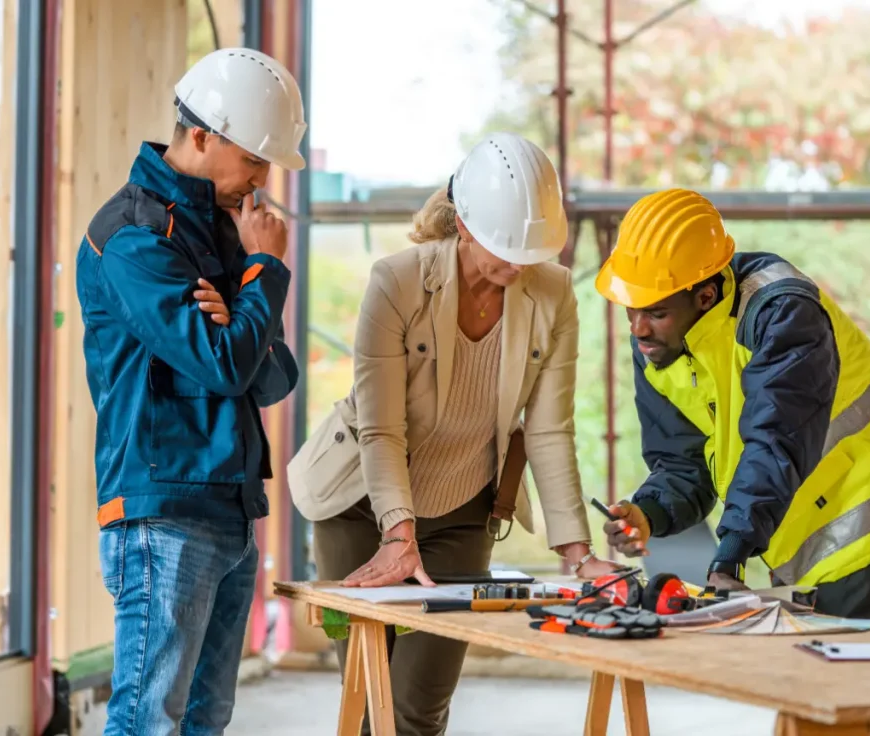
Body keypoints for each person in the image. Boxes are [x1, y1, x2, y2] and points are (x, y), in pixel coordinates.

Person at [308, 132, 619, 735]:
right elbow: (380, 425)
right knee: (370, 700)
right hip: (359, 508)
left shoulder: (552, 295)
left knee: (418, 708)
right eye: (505, 249)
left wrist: (578, 555)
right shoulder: (397, 281)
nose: (519, 266)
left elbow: (550, 429)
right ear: (466, 226)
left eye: (531, 252)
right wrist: (397, 534)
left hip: (461, 511)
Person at [76, 47, 305, 734]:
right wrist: (262, 274)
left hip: (228, 509)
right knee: (150, 720)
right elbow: (228, 363)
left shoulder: (215, 231)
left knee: (207, 721)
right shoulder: (134, 236)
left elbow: (273, 374)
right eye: (255, 160)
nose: (263, 181)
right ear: (202, 134)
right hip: (162, 511)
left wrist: (243, 312)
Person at [596, 188, 870, 626]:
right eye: (631, 309)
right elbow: (684, 462)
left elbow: (775, 441)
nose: (638, 328)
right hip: (791, 528)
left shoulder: (782, 313)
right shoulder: (660, 343)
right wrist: (648, 512)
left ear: (704, 295)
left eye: (656, 312)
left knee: (836, 685)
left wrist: (730, 556)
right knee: (799, 682)